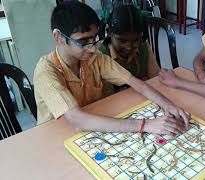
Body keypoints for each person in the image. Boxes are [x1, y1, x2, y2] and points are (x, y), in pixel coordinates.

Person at [33, 1, 189, 135]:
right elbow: (77, 120)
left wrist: (168, 105)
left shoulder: (94, 58)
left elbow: (135, 82)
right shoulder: (46, 72)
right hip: (57, 136)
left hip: (93, 127)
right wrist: (145, 125)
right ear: (58, 37)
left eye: (95, 39)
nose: (93, 48)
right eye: (83, 41)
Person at [98, 3, 160, 95]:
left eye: (136, 40)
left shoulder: (143, 46)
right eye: (122, 40)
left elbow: (155, 78)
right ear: (109, 32)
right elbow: (107, 96)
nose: (129, 46)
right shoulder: (101, 54)